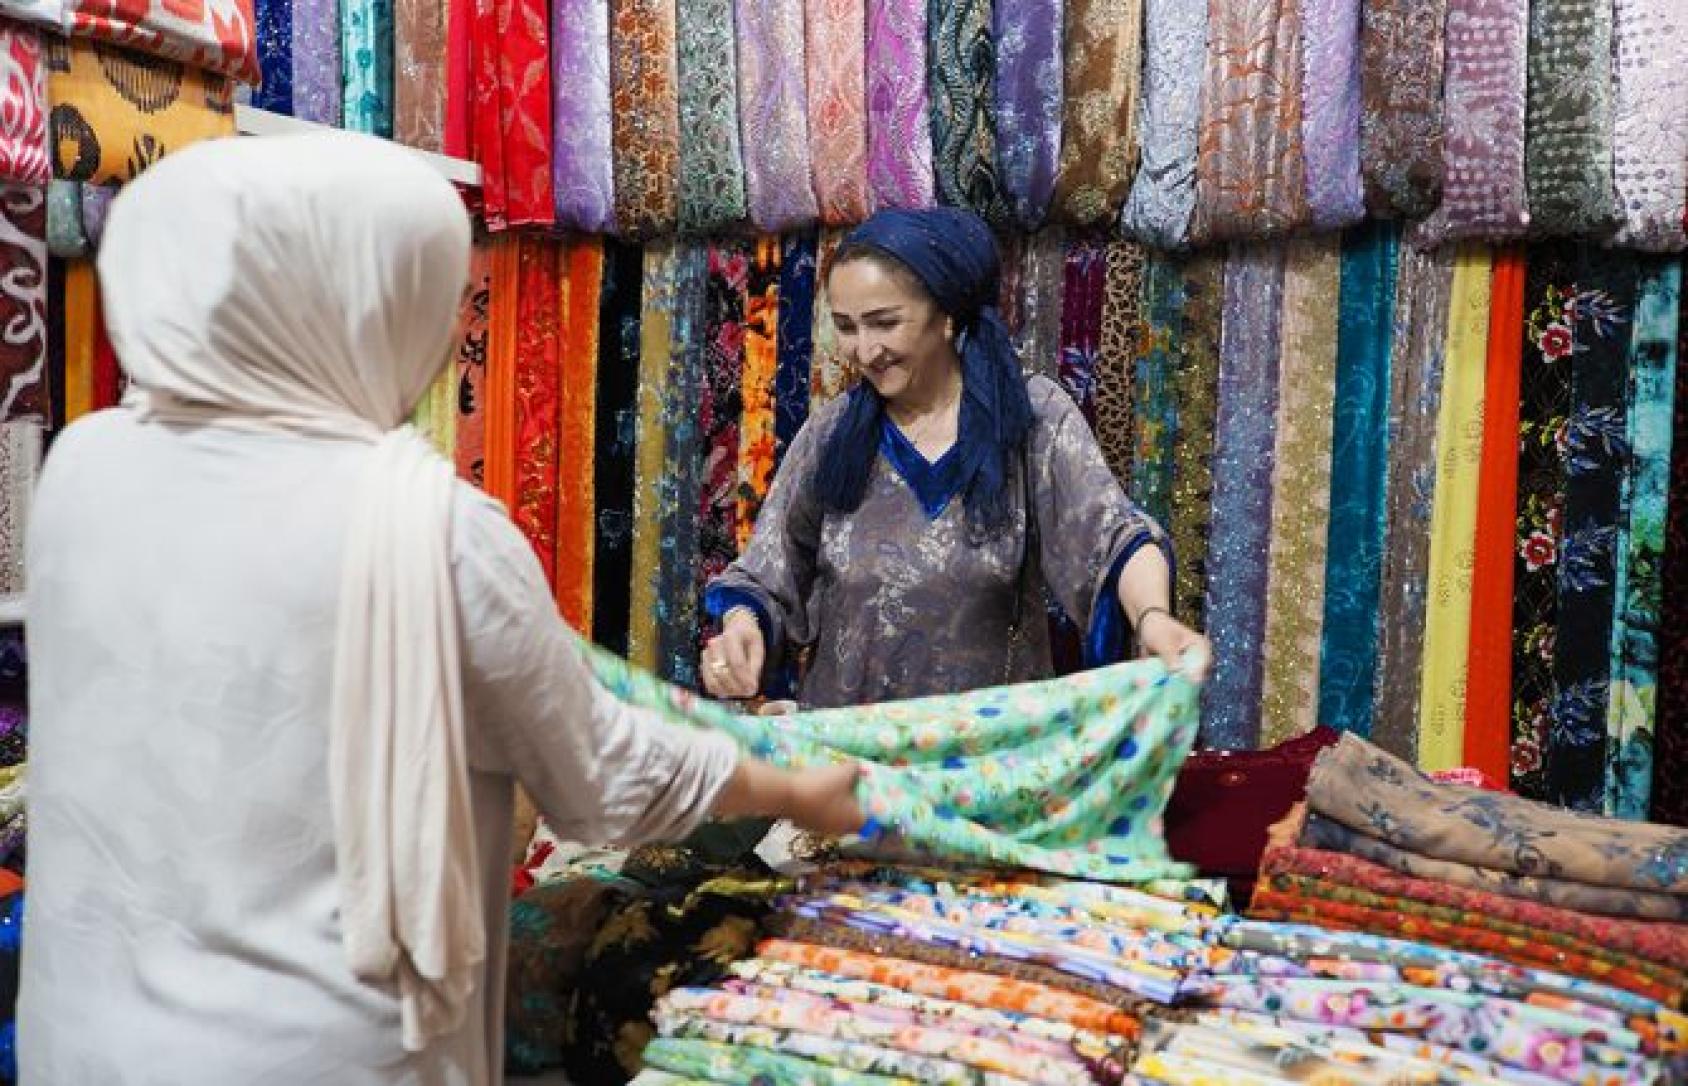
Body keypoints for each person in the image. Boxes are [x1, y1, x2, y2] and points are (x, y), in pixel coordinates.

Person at [17, 131, 860, 1085]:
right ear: (344, 304)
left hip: (82, 1032)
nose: (456, 328)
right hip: (317, 1052)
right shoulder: (427, 531)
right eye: (430, 296)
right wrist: (793, 789)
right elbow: (601, 774)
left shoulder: (83, 469)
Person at [701, 207, 1209, 708]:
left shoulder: (1031, 419)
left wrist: (1153, 618)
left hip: (987, 751)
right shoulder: (832, 433)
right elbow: (766, 575)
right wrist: (741, 632)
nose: (865, 351)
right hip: (850, 748)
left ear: (946, 316)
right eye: (846, 327)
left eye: (885, 323)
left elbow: (1114, 538)